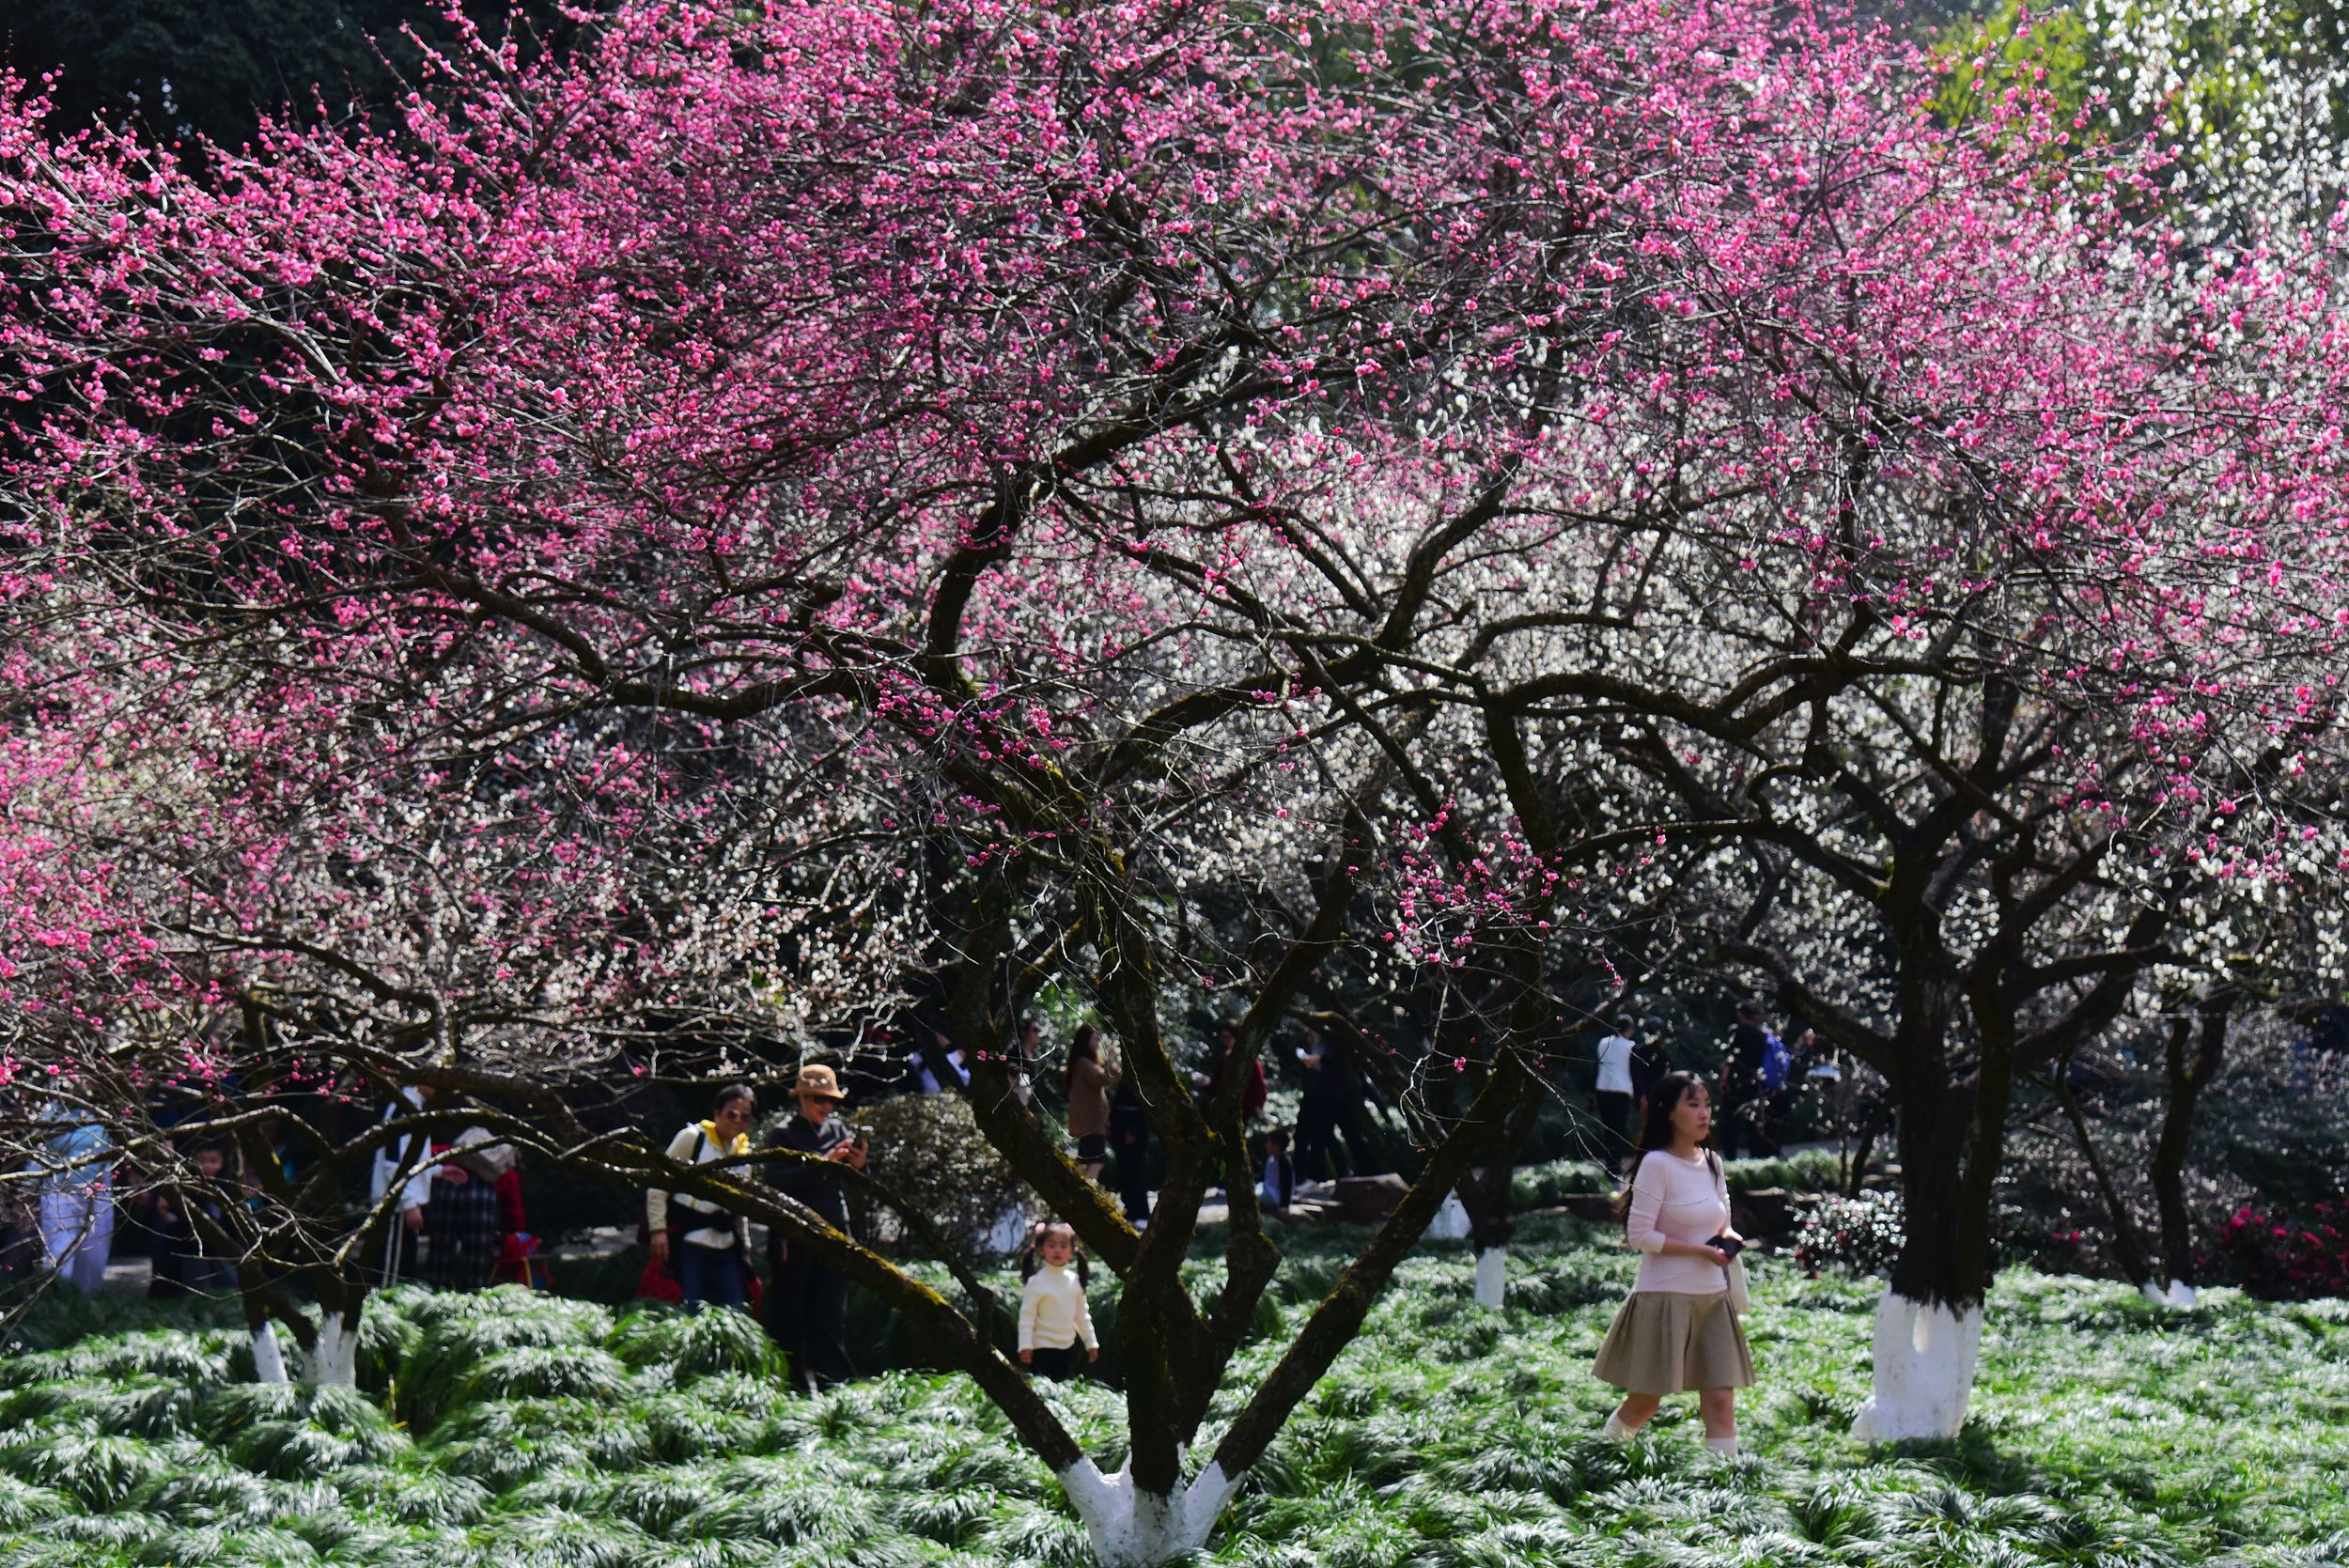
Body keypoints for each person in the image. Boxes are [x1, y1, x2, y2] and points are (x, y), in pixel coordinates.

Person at [1592, 1070, 1754, 1456]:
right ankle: (1601, 1455)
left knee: (1721, 1399)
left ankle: (1727, 1479)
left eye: (1707, 1104)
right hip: (1664, 1297)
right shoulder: (1656, 1164)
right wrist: (1700, 1251)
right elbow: (1639, 1235)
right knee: (1646, 1400)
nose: (1704, 1113)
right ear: (1668, 1112)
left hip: (1713, 1298)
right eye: (1693, 1104)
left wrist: (1728, 1237)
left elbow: (1723, 1219)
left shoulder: (1712, 1162)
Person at [766, 1064, 864, 1389]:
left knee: (831, 1313)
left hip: (834, 1232)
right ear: (802, 1098)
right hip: (794, 1235)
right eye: (819, 1099)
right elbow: (776, 1181)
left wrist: (859, 1166)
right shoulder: (783, 1134)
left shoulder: (837, 1130)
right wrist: (822, 1163)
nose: (826, 1107)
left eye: (830, 1100)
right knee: (791, 1313)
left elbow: (854, 1184)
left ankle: (836, 1387)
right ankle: (792, 1387)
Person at [648, 1083, 758, 1312]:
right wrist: (658, 1229)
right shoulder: (693, 1138)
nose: (737, 1121)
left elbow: (741, 1204)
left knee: (737, 1310)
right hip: (689, 1241)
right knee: (689, 1308)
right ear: (717, 1113)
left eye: (745, 1117)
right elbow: (659, 1183)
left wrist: (745, 1243)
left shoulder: (744, 1152)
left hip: (726, 1244)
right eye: (731, 1114)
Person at [34, 1107, 117, 1292]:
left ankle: (87, 1300)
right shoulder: (50, 1111)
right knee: (59, 1249)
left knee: (93, 1253)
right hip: (58, 1191)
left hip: (97, 1192)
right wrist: (27, 1189)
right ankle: (58, 1296)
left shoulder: (105, 1109)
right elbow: (36, 1153)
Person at [148, 1142, 237, 1298]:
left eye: (213, 1161)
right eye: (202, 1161)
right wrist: (163, 1211)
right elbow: (176, 1222)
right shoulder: (186, 1188)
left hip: (221, 1249)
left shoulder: (227, 1188)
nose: (207, 1166)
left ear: (222, 1163)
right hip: (191, 1249)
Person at [1017, 1220, 1097, 1382]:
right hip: (1041, 1347)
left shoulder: (1074, 1281)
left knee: (1062, 1386)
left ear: (1072, 1250)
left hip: (1067, 1347)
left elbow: (1082, 1316)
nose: (1057, 1250)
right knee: (1043, 1387)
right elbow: (1027, 1317)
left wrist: (1091, 1343)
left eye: (1063, 1245)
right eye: (1051, 1245)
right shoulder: (1036, 1282)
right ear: (1041, 1250)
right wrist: (1025, 1345)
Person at [1715, 1000, 1778, 1159]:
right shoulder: (1762, 1035)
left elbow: (1729, 1058)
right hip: (1755, 1081)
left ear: (1741, 1015)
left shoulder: (1736, 1031)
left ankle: (1731, 1158)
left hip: (1735, 1082)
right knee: (1753, 1122)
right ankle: (1755, 1157)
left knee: (1730, 1122)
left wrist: (1723, 1081)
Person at [1108, 1076, 1153, 1223]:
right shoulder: (1126, 1079)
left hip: (1133, 1131)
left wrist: (1134, 1131)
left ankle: (1141, 1213)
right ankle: (1129, 1212)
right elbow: (1118, 1102)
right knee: (1125, 1173)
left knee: (1134, 1173)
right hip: (1120, 1131)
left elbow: (1140, 1108)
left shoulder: (1139, 1078)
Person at [1592, 1017, 1639, 1150]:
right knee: (1619, 1127)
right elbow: (1634, 1071)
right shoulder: (1631, 1046)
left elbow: (1596, 1066)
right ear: (1629, 1029)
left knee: (1607, 1125)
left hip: (1603, 1087)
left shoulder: (1603, 1043)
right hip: (1622, 1089)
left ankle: (1608, 1156)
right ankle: (1616, 1158)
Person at [1259, 1126, 1296, 1212]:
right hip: (1267, 1191)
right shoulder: (1270, 1159)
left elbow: (1286, 1185)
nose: (1266, 1145)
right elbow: (1263, 1177)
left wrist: (1284, 1205)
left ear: (1277, 1146)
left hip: (1275, 1196)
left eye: (1269, 1142)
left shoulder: (1284, 1162)